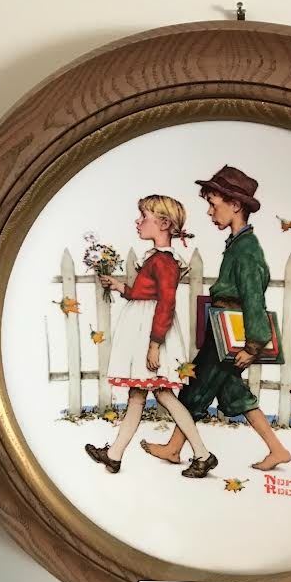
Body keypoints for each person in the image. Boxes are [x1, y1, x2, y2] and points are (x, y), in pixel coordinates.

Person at [142, 166, 291, 472]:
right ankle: (277, 449)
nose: (210, 212)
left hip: (231, 334)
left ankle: (182, 451)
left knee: (196, 387)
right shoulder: (237, 244)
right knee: (232, 391)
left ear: (235, 205)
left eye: (213, 204)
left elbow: (253, 298)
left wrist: (253, 345)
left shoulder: (246, 250)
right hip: (223, 331)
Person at [84, 194, 217, 478]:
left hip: (152, 336)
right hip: (144, 332)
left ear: (164, 224)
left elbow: (166, 304)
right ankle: (114, 455)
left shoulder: (165, 262)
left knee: (164, 395)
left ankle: (203, 455)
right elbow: (143, 293)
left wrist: (155, 345)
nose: (138, 221)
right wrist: (119, 286)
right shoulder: (155, 259)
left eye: (144, 217)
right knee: (138, 394)